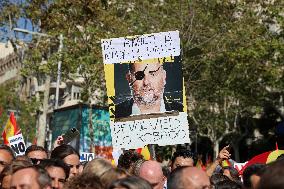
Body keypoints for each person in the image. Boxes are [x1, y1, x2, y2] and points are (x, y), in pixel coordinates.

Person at [115, 61, 183, 118]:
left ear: (163, 77)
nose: (146, 82)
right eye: (139, 76)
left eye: (153, 74)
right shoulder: (114, 114)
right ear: (129, 79)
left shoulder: (182, 111)